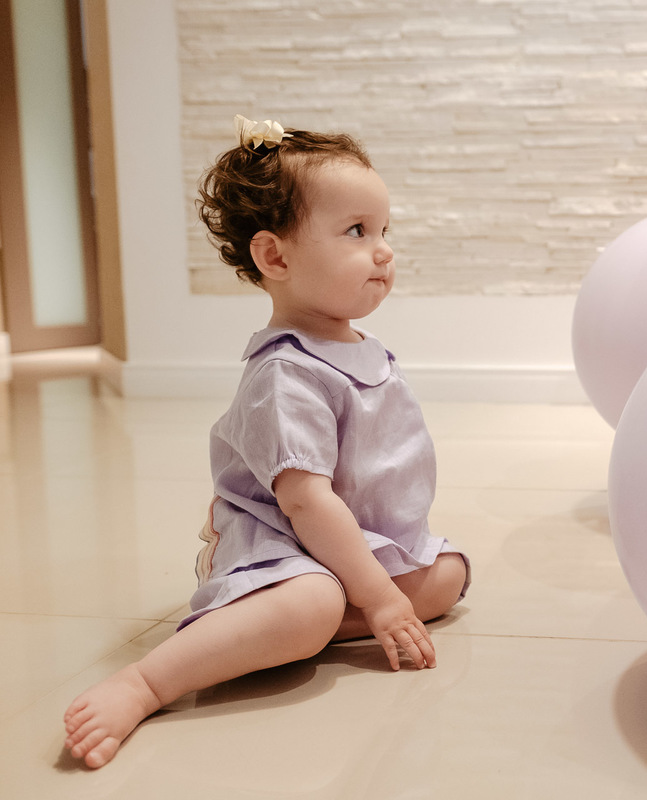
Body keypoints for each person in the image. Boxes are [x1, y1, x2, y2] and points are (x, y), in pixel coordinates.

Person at [63, 116, 469, 769]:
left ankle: (286, 626)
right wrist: (384, 599)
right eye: (357, 232)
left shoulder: (360, 347)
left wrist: (384, 589)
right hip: (282, 534)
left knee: (447, 576)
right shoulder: (286, 372)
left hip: (350, 537)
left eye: (384, 230)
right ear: (275, 257)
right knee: (314, 601)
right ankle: (150, 680)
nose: (384, 250)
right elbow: (306, 502)